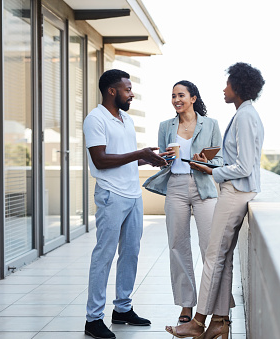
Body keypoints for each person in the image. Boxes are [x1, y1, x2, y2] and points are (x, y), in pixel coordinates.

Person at [165, 62, 265, 339]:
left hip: (234, 192)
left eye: (228, 83)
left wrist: (212, 170)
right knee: (222, 257)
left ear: (238, 87)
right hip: (235, 190)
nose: (224, 88)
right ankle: (219, 321)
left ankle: (197, 322)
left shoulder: (244, 117)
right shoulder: (246, 114)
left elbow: (244, 166)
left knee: (212, 257)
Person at [83, 69, 169, 339]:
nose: (131, 93)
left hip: (133, 195)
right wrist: (137, 153)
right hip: (111, 195)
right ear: (112, 91)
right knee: (104, 255)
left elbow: (126, 158)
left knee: (130, 253)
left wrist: (149, 158)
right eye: (127, 89)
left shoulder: (127, 119)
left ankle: (122, 308)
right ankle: (93, 318)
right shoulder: (95, 119)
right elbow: (101, 159)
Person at [143, 80, 223, 324]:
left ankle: (213, 305)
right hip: (175, 186)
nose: (176, 100)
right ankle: (186, 306)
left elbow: (219, 159)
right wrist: (163, 159)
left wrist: (204, 161)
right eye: (173, 96)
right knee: (178, 246)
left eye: (181, 95)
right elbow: (161, 161)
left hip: (203, 186)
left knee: (210, 246)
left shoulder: (210, 124)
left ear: (193, 98)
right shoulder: (165, 125)